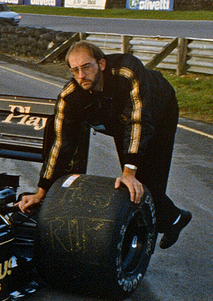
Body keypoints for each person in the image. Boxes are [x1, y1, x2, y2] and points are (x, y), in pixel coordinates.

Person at [18, 40, 191, 249]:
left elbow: (139, 121)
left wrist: (129, 170)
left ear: (101, 64)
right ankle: (172, 219)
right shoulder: (69, 96)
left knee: (146, 178)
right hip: (118, 114)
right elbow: (60, 144)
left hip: (157, 108)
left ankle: (158, 229)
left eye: (86, 67)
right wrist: (42, 190)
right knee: (133, 183)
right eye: (75, 70)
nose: (81, 75)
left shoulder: (128, 70)